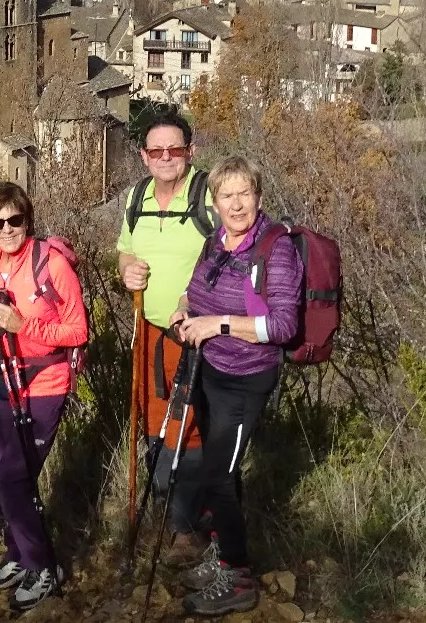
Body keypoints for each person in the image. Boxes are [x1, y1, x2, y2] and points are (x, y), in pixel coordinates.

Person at [169, 156, 303, 617]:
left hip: (246, 379)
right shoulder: (216, 242)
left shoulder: (274, 250)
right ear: (215, 201)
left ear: (259, 197)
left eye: (245, 193)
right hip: (211, 372)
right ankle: (222, 551)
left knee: (218, 478)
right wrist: (184, 311)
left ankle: (238, 575)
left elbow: (283, 326)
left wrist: (217, 325)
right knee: (218, 471)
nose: (236, 202)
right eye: (227, 194)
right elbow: (194, 291)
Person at [0, 182, 87, 611]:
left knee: (15, 478)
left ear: (27, 219)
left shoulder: (51, 264)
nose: (8, 229)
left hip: (44, 383)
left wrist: (22, 326)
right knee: (13, 476)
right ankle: (19, 555)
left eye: (16, 219)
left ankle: (42, 565)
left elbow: (77, 331)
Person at [116, 109, 219, 563]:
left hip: (195, 337)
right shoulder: (137, 196)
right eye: (156, 150)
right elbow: (125, 250)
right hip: (149, 331)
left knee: (186, 427)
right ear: (143, 156)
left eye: (174, 149)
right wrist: (127, 271)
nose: (165, 157)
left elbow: (231, 253)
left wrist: (190, 296)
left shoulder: (209, 196)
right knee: (155, 420)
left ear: (190, 152)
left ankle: (183, 525)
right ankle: (169, 506)